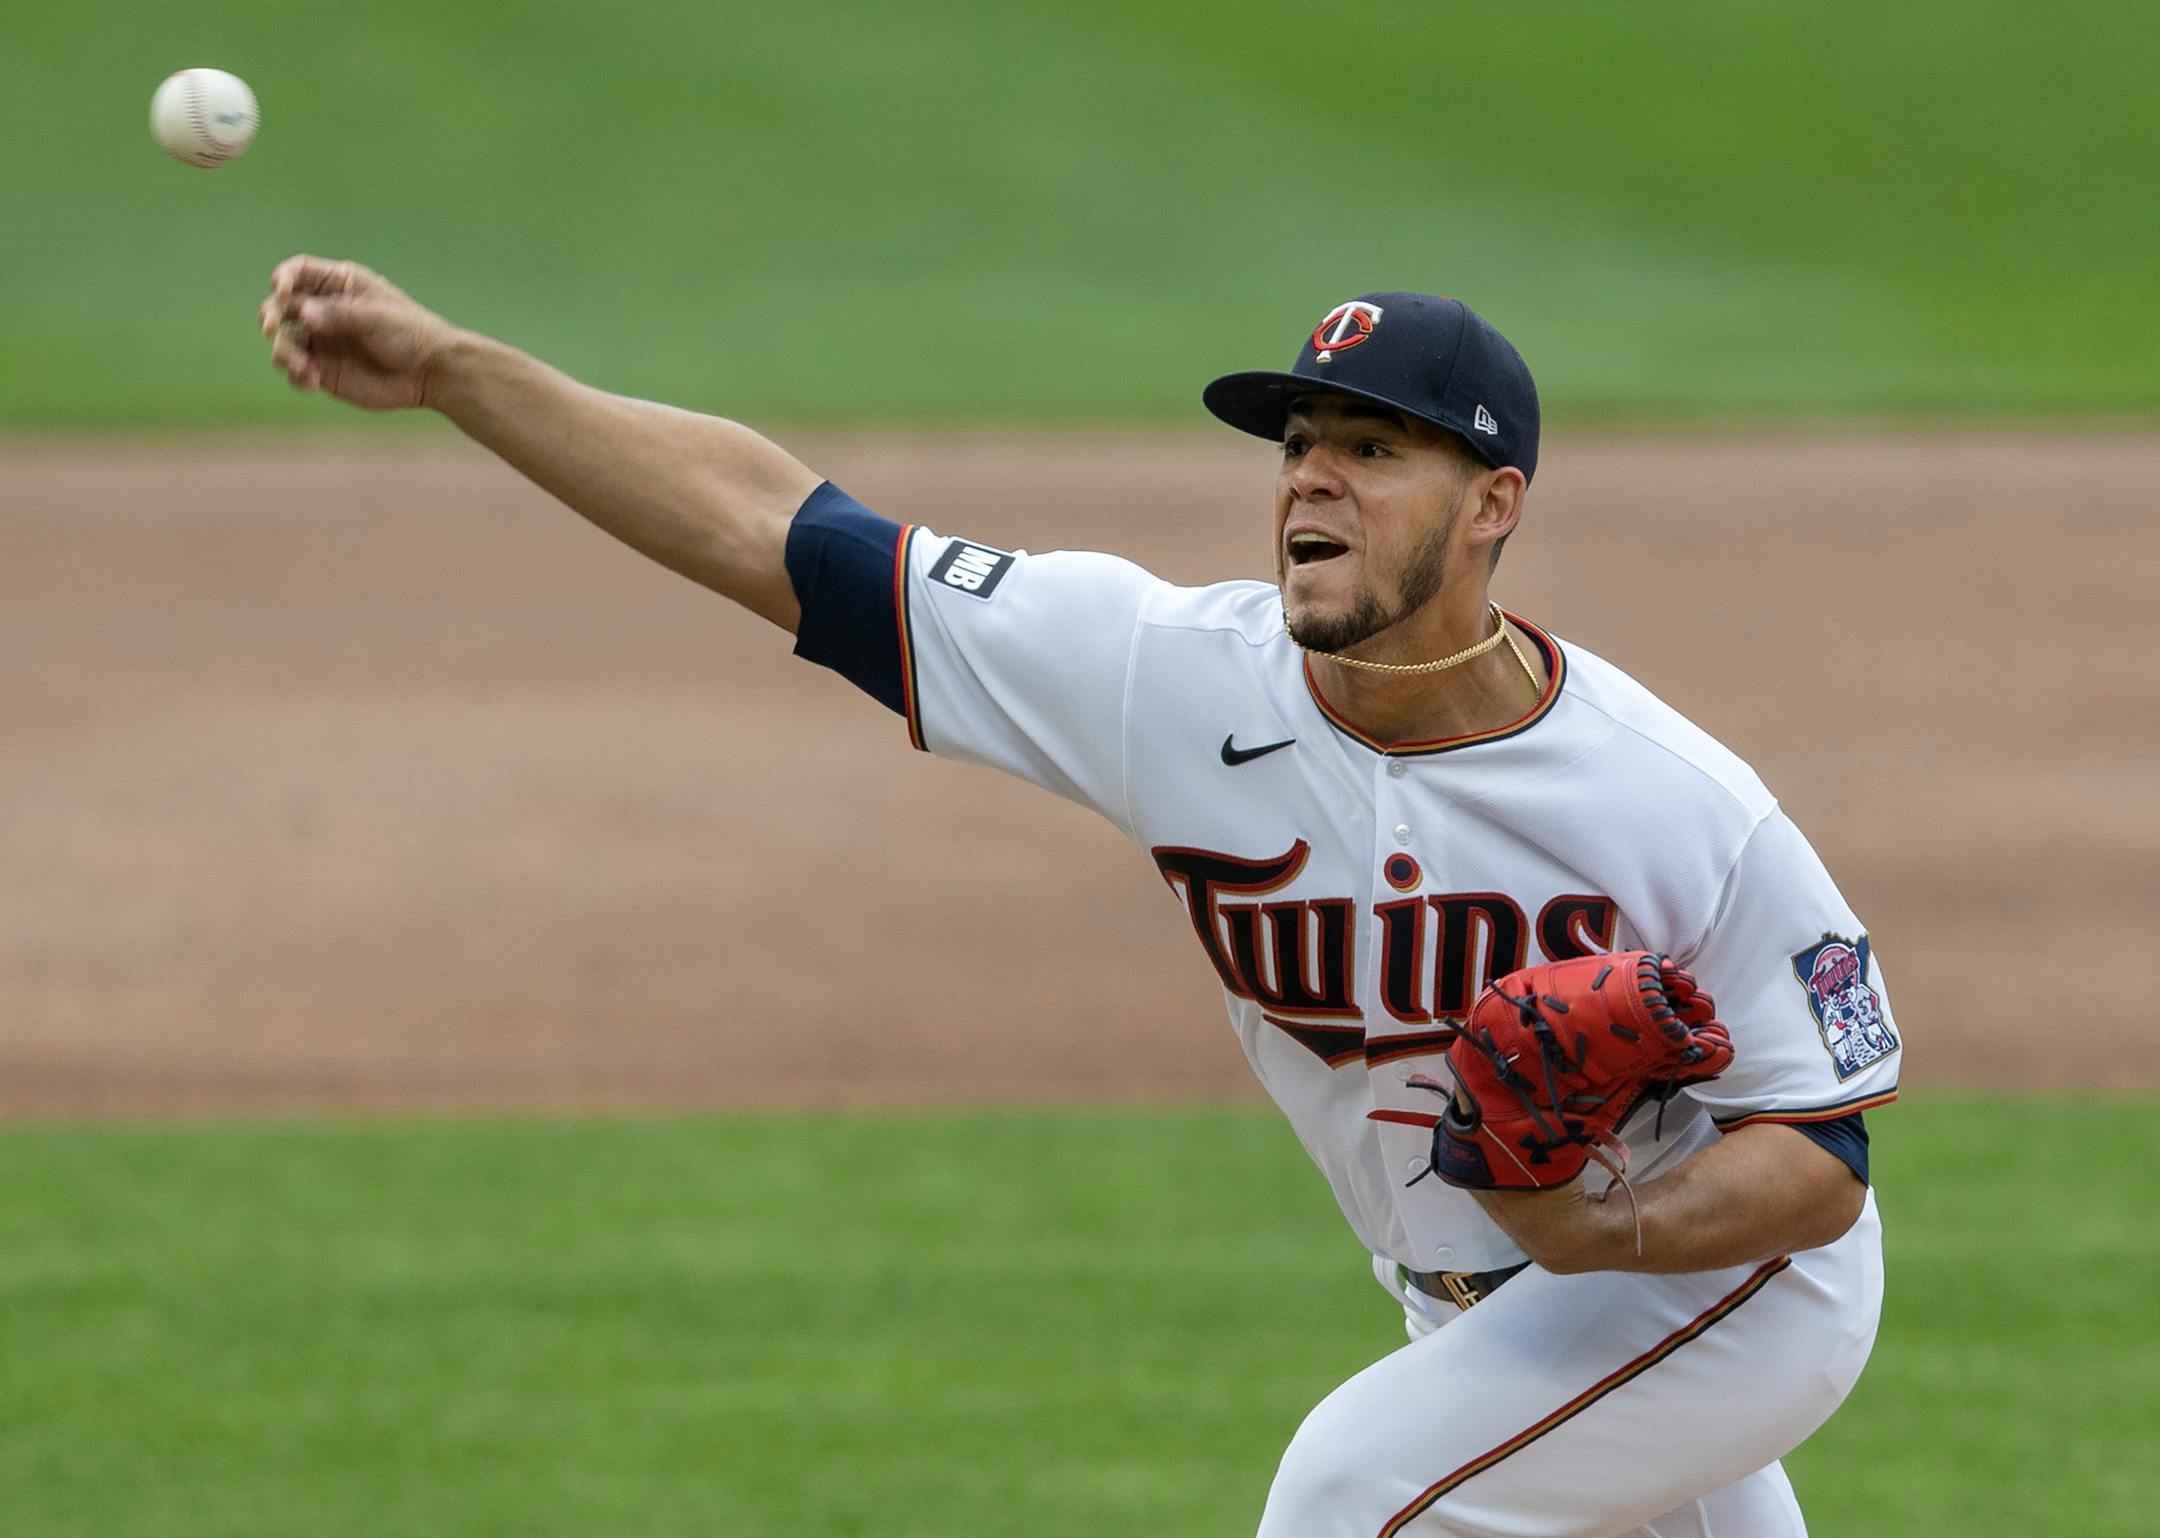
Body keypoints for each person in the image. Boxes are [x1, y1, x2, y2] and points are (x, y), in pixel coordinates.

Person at [260, 266, 1901, 1537]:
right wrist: (460, 374)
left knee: (1347, 1493)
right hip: (1477, 1312)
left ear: (1494, 504)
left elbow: (1824, 1155)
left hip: (1729, 1287)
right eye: (1301, 444)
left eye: (1375, 449)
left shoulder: (1677, 802)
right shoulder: (1163, 677)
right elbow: (785, 530)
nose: (1312, 482)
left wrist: (1595, 1226)